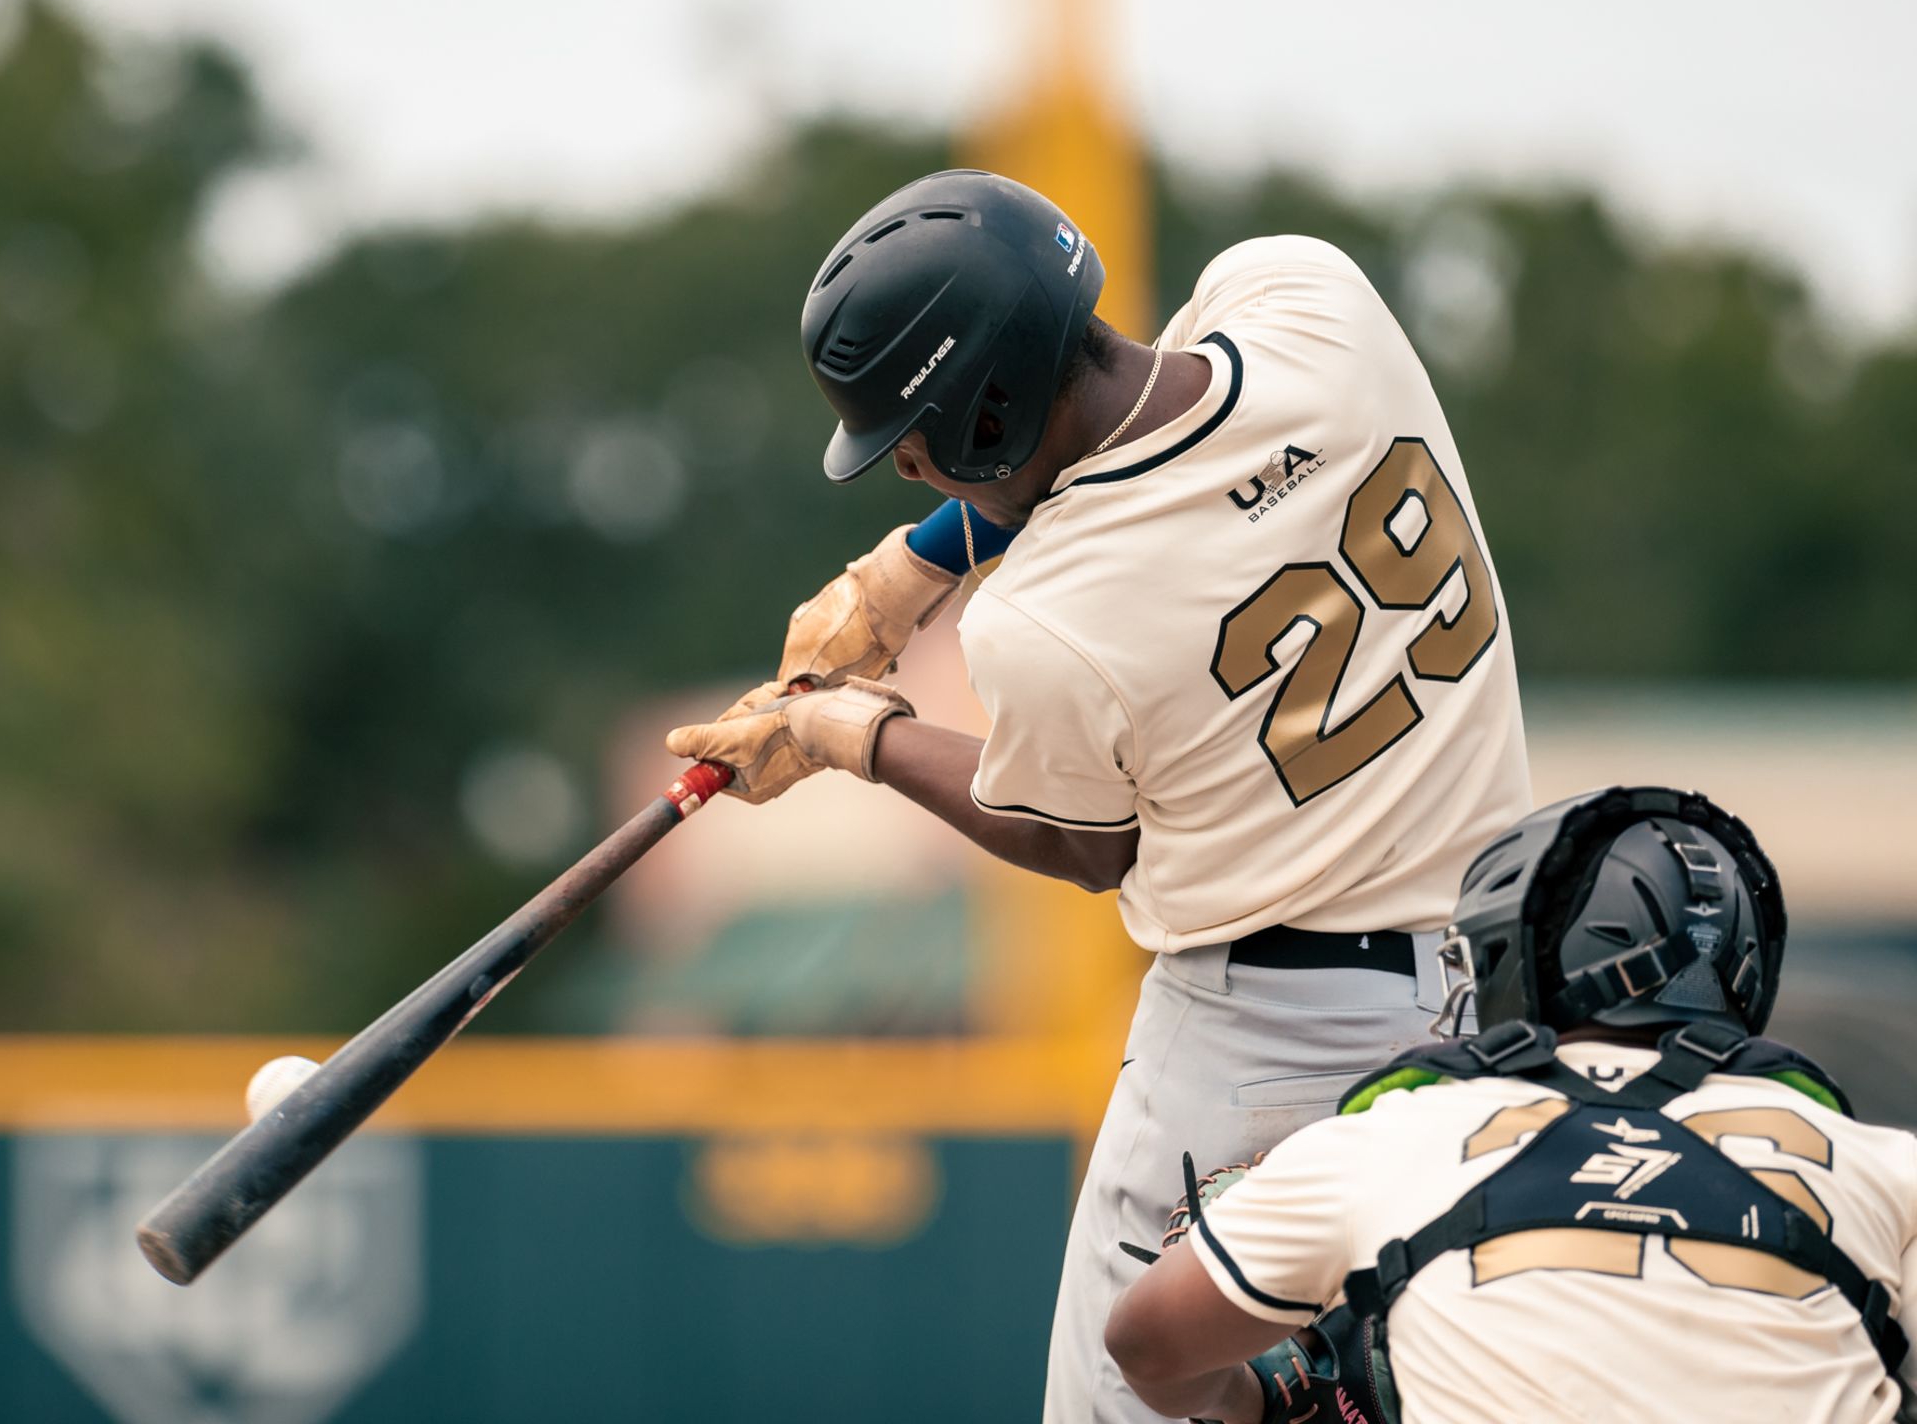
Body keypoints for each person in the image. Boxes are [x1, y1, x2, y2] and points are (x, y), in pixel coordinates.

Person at [663, 169, 1531, 1421]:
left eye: (916, 445)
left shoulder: (1045, 617)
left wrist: (848, 730)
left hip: (1264, 1048)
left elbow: (1080, 843)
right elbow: (1150, 409)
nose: (910, 472)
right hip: (1501, 1017)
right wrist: (917, 563)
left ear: (988, 411)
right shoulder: (1315, 301)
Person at [1103, 786, 1917, 1424]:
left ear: (1519, 959)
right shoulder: (1884, 1165)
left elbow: (1145, 1347)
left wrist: (1261, 1402)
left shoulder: (1392, 1140)